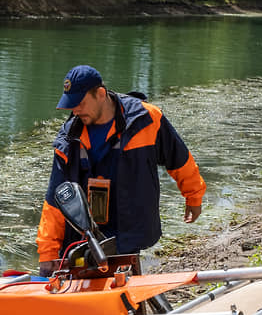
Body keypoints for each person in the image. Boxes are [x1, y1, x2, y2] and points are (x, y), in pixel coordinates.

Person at [36, 65, 206, 276]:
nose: (75, 111)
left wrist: (193, 197)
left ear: (100, 94)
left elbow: (179, 159)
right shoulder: (68, 139)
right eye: (71, 106)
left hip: (128, 230)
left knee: (126, 289)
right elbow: (56, 200)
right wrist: (47, 255)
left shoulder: (146, 119)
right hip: (84, 236)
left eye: (80, 103)